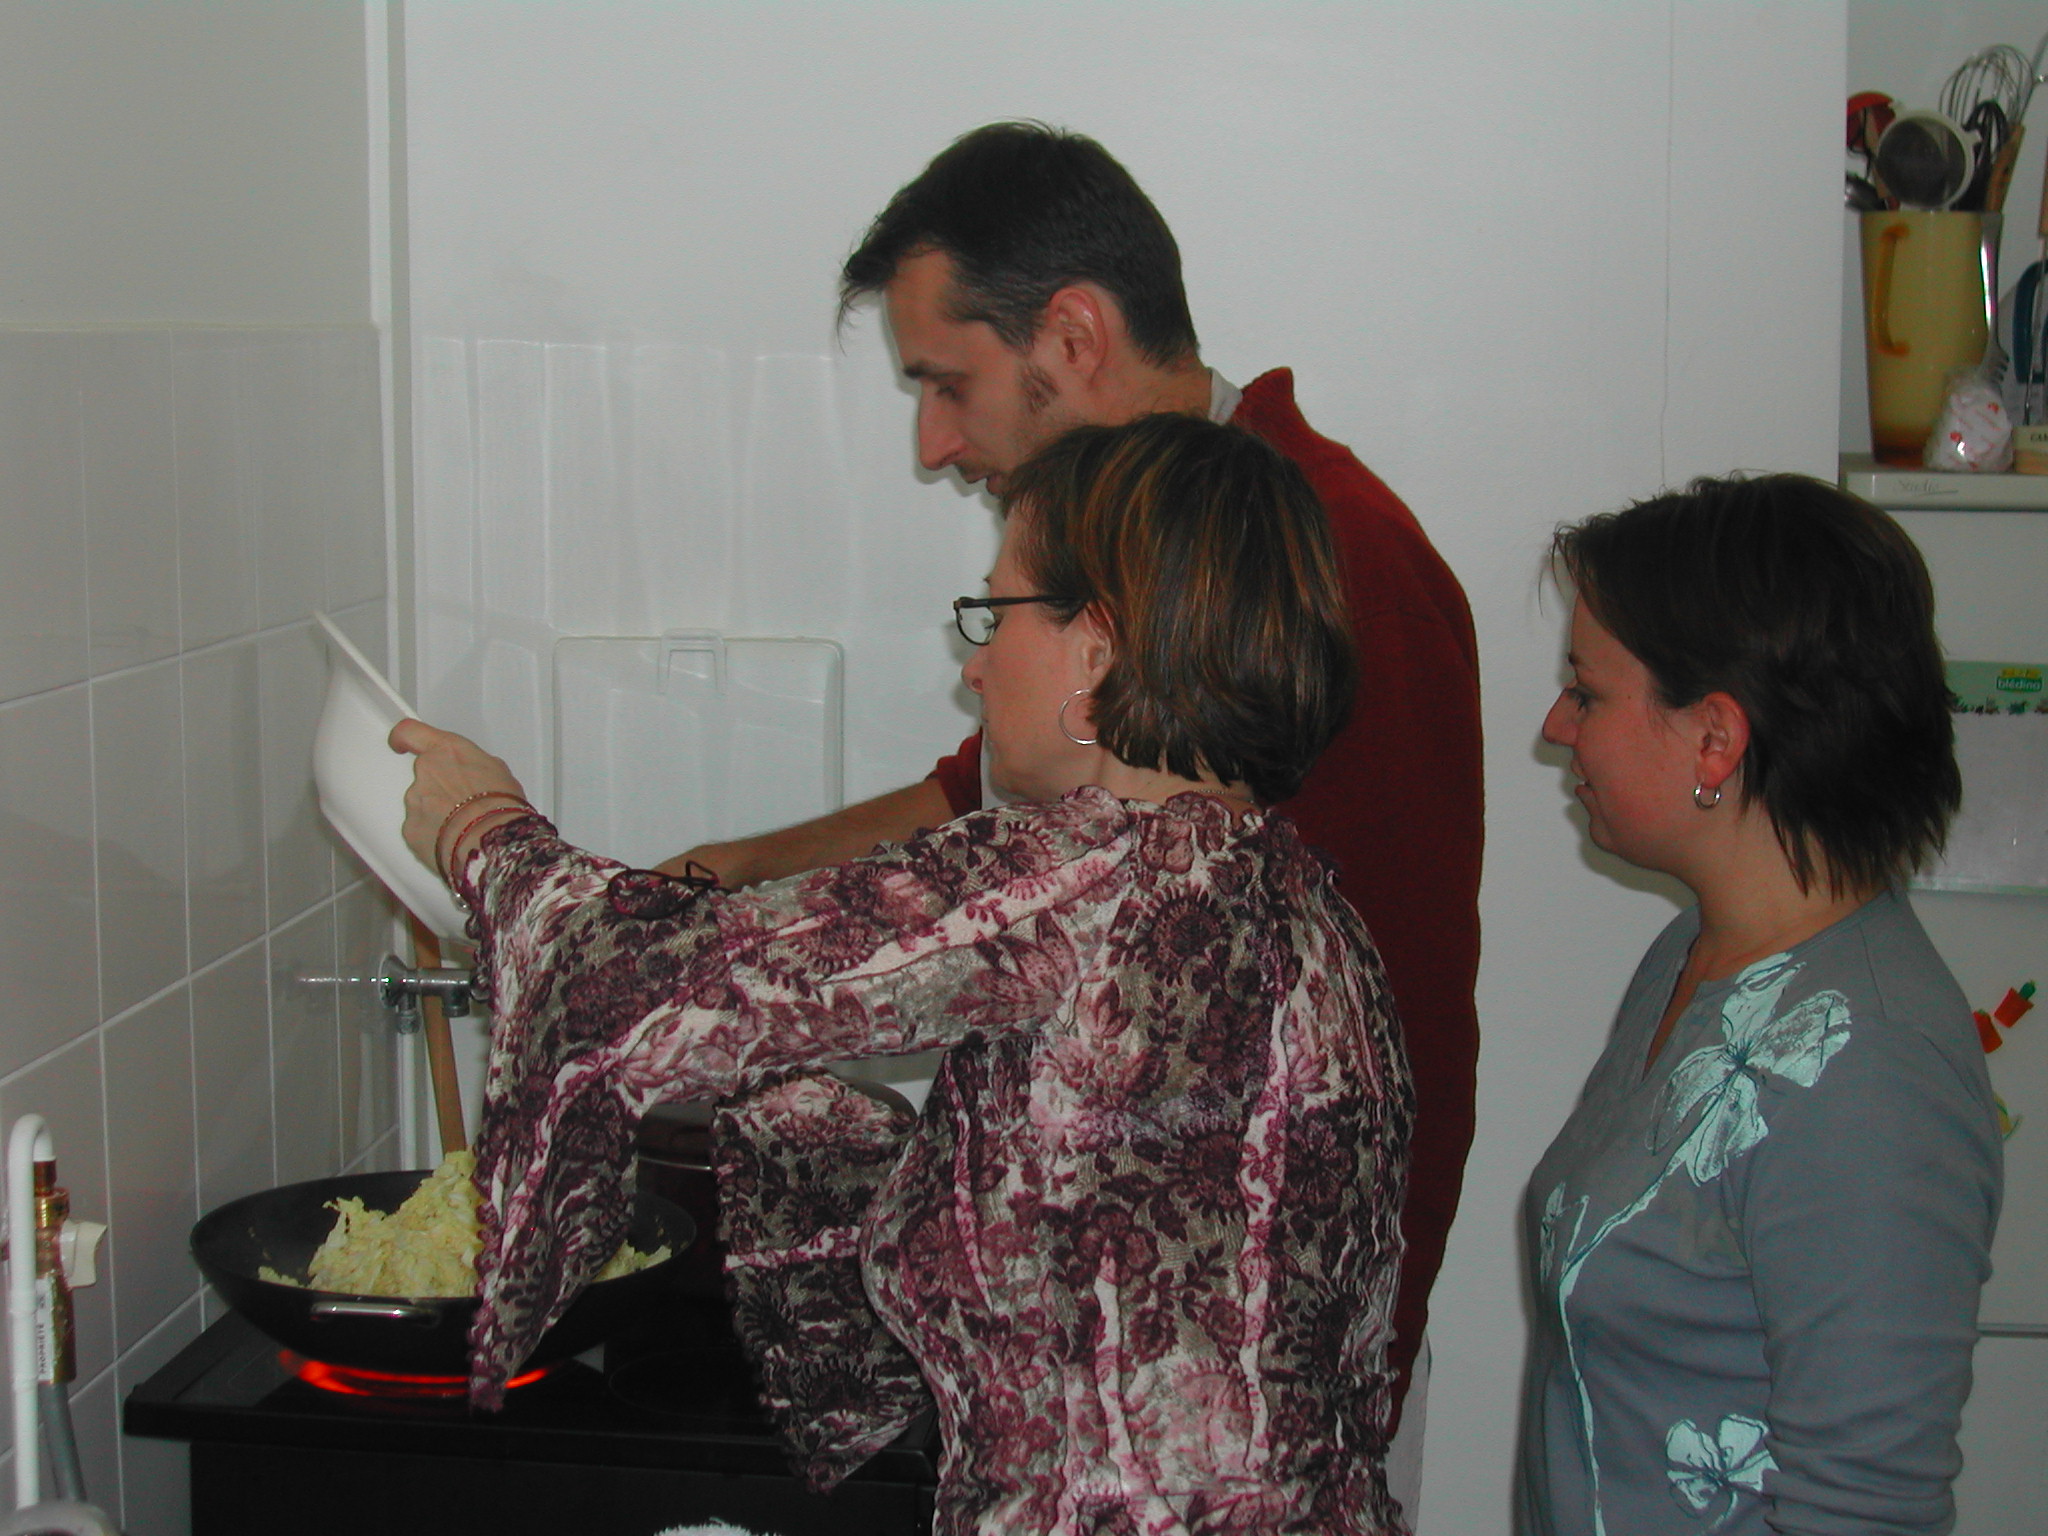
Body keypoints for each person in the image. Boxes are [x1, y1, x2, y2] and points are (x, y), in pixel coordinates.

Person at [397, 414, 1417, 1536]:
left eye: (996, 613)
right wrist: (802, 1118)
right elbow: (1122, 1211)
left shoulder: (1072, 875)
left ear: (1096, 650)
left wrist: (478, 826)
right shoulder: (1314, 912)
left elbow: (622, 982)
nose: (974, 664)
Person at [657, 123, 1482, 1493]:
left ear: (1074, 335)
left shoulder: (1339, 552)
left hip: (1241, 1420)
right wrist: (737, 867)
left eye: (949, 382)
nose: (936, 443)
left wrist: (1349, 1392)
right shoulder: (1134, 562)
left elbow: (1412, 1017)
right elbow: (973, 808)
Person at [1519, 473, 2002, 1535]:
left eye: (1587, 693)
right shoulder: (1697, 958)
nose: (1556, 727)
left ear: (1714, 738)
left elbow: (1863, 1510)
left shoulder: (1868, 1073)